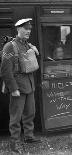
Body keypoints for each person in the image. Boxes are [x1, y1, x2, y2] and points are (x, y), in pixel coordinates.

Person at [0, 18, 41, 153]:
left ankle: (28, 136)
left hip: (29, 85)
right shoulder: (10, 46)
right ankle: (15, 143)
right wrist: (13, 88)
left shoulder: (27, 44)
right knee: (16, 116)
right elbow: (5, 70)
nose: (28, 31)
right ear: (18, 29)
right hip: (17, 86)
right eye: (25, 29)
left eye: (30, 29)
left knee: (30, 112)